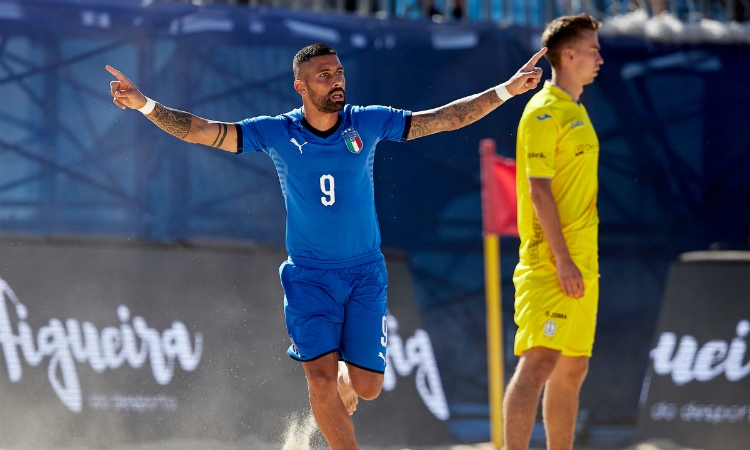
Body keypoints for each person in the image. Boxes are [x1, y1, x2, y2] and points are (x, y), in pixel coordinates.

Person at [107, 42, 546, 450]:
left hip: (364, 272)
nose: (336, 80)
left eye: (338, 72)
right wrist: (144, 104)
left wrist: (507, 90)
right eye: (323, 75)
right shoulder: (277, 132)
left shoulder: (367, 121)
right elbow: (203, 130)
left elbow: (445, 118)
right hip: (309, 276)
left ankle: (346, 377)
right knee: (318, 381)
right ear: (301, 86)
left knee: (369, 386)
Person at [504, 13, 603, 450]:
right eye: (593, 50)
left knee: (573, 369)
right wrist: (562, 259)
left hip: (583, 259)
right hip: (550, 261)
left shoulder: (576, 108)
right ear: (569, 54)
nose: (599, 58)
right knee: (539, 363)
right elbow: (538, 190)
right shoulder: (544, 111)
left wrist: (576, 259)